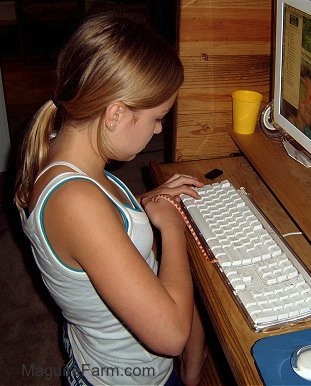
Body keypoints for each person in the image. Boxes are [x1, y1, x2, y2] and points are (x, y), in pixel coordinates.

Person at [14, 12, 207, 386]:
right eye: (157, 117)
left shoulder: (64, 157)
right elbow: (170, 336)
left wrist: (141, 202)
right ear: (115, 113)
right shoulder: (76, 202)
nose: (159, 128)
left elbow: (89, 229)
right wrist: (171, 227)